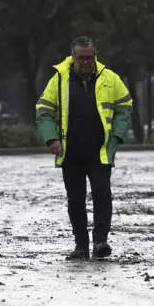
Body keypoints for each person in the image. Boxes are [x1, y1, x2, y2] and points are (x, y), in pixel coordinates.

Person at [35, 36, 133, 260]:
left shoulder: (110, 78)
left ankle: (100, 242)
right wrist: (51, 139)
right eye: (81, 58)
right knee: (75, 199)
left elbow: (125, 106)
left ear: (95, 56)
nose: (86, 62)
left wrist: (117, 135)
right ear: (73, 57)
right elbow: (43, 111)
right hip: (70, 152)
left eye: (89, 57)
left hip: (100, 151)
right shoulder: (59, 81)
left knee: (102, 195)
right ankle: (81, 245)